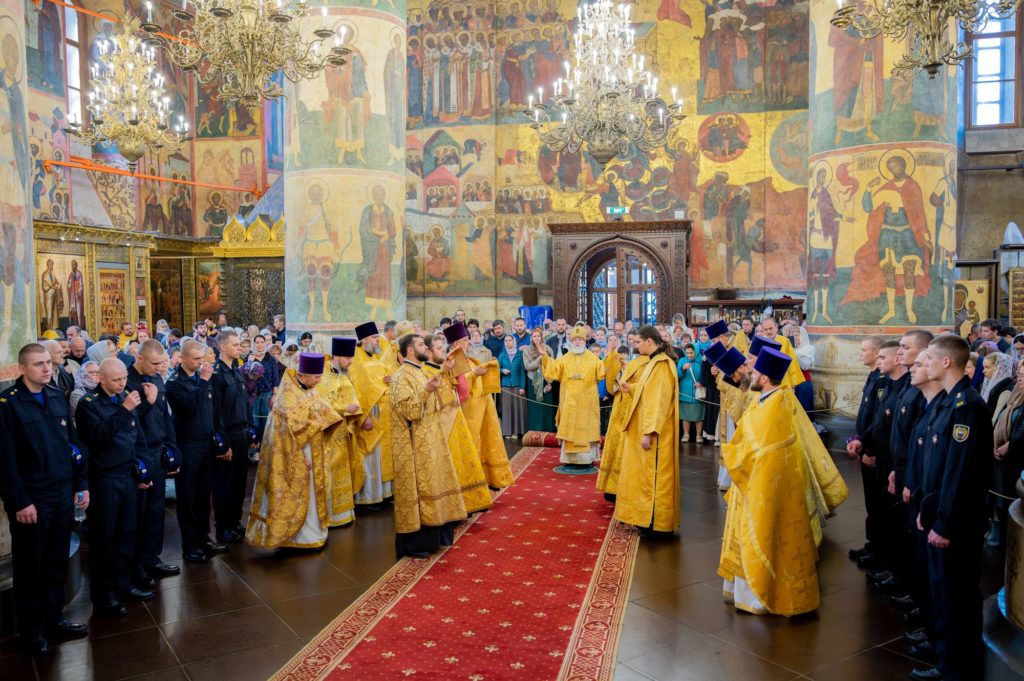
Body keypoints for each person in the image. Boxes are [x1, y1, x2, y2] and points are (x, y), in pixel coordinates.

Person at [909, 336, 991, 681]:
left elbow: (960, 474)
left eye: (928, 359)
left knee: (956, 595)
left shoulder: (966, 407)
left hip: (957, 522)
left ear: (946, 363)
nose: (922, 365)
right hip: (940, 514)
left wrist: (944, 523)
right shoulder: (947, 404)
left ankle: (957, 668)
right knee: (943, 591)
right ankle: (946, 654)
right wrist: (929, 510)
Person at [0, 344, 90, 655]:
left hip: (62, 490)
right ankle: (32, 630)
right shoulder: (8, 405)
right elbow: (5, 461)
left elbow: (72, 443)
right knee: (30, 567)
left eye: (47, 363)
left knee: (55, 561)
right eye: (38, 364)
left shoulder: (55, 395)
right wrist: (19, 501)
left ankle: (54, 619)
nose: (46, 368)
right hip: (32, 498)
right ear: (22, 369)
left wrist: (81, 482)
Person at [719, 347, 821, 616]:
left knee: (764, 536)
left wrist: (731, 454)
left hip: (763, 485)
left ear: (765, 378)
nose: (751, 372)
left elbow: (758, 448)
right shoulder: (768, 399)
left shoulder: (775, 406)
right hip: (754, 482)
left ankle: (760, 595)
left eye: (756, 371)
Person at [75, 357, 155, 615]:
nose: (122, 384)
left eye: (123, 378)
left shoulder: (125, 399)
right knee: (105, 538)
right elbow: (97, 438)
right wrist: (124, 409)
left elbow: (137, 438)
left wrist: (144, 469)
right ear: (101, 379)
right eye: (116, 380)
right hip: (105, 478)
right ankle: (104, 595)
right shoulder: (88, 404)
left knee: (127, 534)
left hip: (128, 475)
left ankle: (124, 584)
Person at [246, 353, 342, 550]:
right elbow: (287, 434)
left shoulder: (309, 389)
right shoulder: (288, 397)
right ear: (303, 374)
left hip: (315, 449)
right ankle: (300, 538)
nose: (319, 380)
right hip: (297, 454)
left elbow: (323, 412)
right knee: (299, 495)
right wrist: (302, 456)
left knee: (315, 494)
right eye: (316, 377)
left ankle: (317, 532)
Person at [390, 334, 469, 557]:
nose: (426, 347)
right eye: (421, 344)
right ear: (411, 351)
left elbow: (431, 388)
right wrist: (427, 390)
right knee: (422, 488)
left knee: (435, 483)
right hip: (415, 447)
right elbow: (409, 411)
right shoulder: (400, 376)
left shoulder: (418, 371)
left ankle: (437, 536)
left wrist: (443, 371)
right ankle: (418, 543)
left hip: (430, 441)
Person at [125, 340, 181, 590]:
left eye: (161, 364)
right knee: (139, 513)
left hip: (159, 450)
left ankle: (152, 557)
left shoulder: (157, 379)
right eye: (154, 363)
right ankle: (135, 566)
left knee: (157, 510)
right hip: (139, 453)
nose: (159, 368)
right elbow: (127, 421)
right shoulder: (125, 382)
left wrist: (173, 449)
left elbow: (165, 417)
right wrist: (147, 401)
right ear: (140, 358)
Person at [614, 326, 680, 536]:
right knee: (644, 475)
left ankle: (656, 524)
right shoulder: (654, 362)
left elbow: (658, 401)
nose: (636, 346)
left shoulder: (661, 365)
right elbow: (646, 390)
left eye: (638, 342)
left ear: (650, 341)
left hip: (655, 431)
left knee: (654, 475)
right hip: (645, 425)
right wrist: (631, 389)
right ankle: (645, 519)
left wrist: (649, 432)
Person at [166, 340, 227, 563]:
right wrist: (203, 382)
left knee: (203, 495)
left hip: (206, 444)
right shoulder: (174, 383)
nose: (201, 363)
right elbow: (190, 406)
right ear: (182, 358)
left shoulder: (204, 378)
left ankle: (203, 538)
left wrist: (220, 438)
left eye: (202, 358)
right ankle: (190, 544)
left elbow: (212, 409)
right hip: (188, 445)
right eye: (196, 359)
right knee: (188, 497)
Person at [422, 333, 492, 514]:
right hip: (442, 423)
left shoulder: (445, 365)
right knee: (453, 464)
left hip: (456, 416)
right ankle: (458, 505)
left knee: (464, 459)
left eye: (443, 347)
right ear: (429, 352)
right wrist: (446, 371)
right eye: (439, 348)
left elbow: (460, 388)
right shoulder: (425, 371)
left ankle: (472, 501)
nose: (443, 351)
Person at [448, 322, 514, 489]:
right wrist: (474, 375)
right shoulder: (452, 360)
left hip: (483, 406)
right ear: (456, 343)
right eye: (464, 340)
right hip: (468, 411)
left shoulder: (469, 359)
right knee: (473, 444)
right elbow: (456, 386)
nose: (468, 343)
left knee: (487, 442)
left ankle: (488, 478)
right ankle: (473, 484)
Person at [846, 335, 886, 566]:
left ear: (877, 353)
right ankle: (873, 545)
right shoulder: (873, 376)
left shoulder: (882, 380)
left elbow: (878, 420)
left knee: (878, 503)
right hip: (865, 445)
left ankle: (879, 550)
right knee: (871, 502)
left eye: (864, 350)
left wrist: (869, 448)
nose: (860, 353)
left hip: (874, 450)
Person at [541, 325, 605, 466]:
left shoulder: (593, 359)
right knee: (570, 427)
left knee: (585, 428)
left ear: (584, 341)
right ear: (571, 341)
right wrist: (545, 356)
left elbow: (602, 373)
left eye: (579, 339)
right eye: (574, 339)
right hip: (569, 401)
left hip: (586, 403)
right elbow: (553, 370)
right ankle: (569, 460)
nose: (577, 342)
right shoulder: (565, 358)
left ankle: (587, 460)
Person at [211, 331, 252, 544]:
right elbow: (216, 412)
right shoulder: (217, 374)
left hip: (241, 432)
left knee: (239, 482)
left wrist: (251, 428)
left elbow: (244, 402)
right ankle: (223, 526)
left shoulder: (237, 370)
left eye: (240, 345)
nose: (239, 348)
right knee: (224, 483)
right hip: (228, 434)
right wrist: (222, 443)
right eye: (235, 345)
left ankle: (235, 521)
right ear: (222, 347)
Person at [319, 337, 365, 527]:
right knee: (330, 472)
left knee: (343, 471)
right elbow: (321, 405)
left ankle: (344, 515)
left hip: (344, 430)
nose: (350, 362)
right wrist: (346, 407)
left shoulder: (343, 374)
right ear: (337, 356)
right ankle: (330, 517)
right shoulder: (322, 375)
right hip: (328, 434)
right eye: (347, 358)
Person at [350, 322, 394, 510]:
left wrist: (388, 379)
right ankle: (368, 497)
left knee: (381, 456)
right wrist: (364, 416)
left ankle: (384, 494)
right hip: (369, 413)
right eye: (375, 338)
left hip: (383, 412)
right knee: (369, 456)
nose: (378, 341)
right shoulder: (356, 360)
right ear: (365, 340)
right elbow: (355, 389)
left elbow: (381, 377)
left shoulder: (374, 357)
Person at [596, 344, 645, 501]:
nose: (637, 344)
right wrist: (617, 364)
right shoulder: (627, 365)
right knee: (615, 447)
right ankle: (611, 487)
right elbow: (612, 387)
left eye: (639, 341)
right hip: (619, 410)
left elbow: (643, 388)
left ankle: (624, 488)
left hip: (633, 412)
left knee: (627, 448)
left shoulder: (648, 365)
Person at [990, 359, 1024, 549]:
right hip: (1006, 462)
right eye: (1019, 374)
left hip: (1016, 462)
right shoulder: (1017, 393)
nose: (1020, 379)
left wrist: (1009, 447)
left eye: (1023, 376)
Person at [521, 327, 555, 432]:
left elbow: (552, 365)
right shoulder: (527, 350)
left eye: (538, 336)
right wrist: (540, 358)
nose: (536, 338)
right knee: (535, 407)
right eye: (534, 336)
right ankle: (535, 430)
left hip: (546, 380)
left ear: (541, 337)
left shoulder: (548, 349)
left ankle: (548, 429)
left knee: (546, 406)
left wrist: (550, 382)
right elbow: (528, 366)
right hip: (533, 381)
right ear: (531, 338)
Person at [498, 334, 527, 438]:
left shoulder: (520, 354)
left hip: (517, 386)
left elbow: (523, 372)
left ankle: (516, 432)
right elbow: (496, 369)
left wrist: (522, 387)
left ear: (514, 342)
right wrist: (502, 370)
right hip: (505, 386)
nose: (508, 342)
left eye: (510, 340)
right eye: (506, 341)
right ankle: (507, 432)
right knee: (507, 409)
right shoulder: (502, 355)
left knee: (517, 409)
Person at [677, 342, 704, 443]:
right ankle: (686, 434)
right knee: (685, 415)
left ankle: (698, 435)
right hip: (685, 392)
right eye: (687, 353)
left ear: (696, 352)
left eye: (691, 353)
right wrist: (682, 369)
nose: (689, 355)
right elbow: (678, 376)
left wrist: (701, 382)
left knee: (699, 415)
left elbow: (705, 374)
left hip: (698, 393)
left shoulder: (701, 360)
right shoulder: (682, 361)